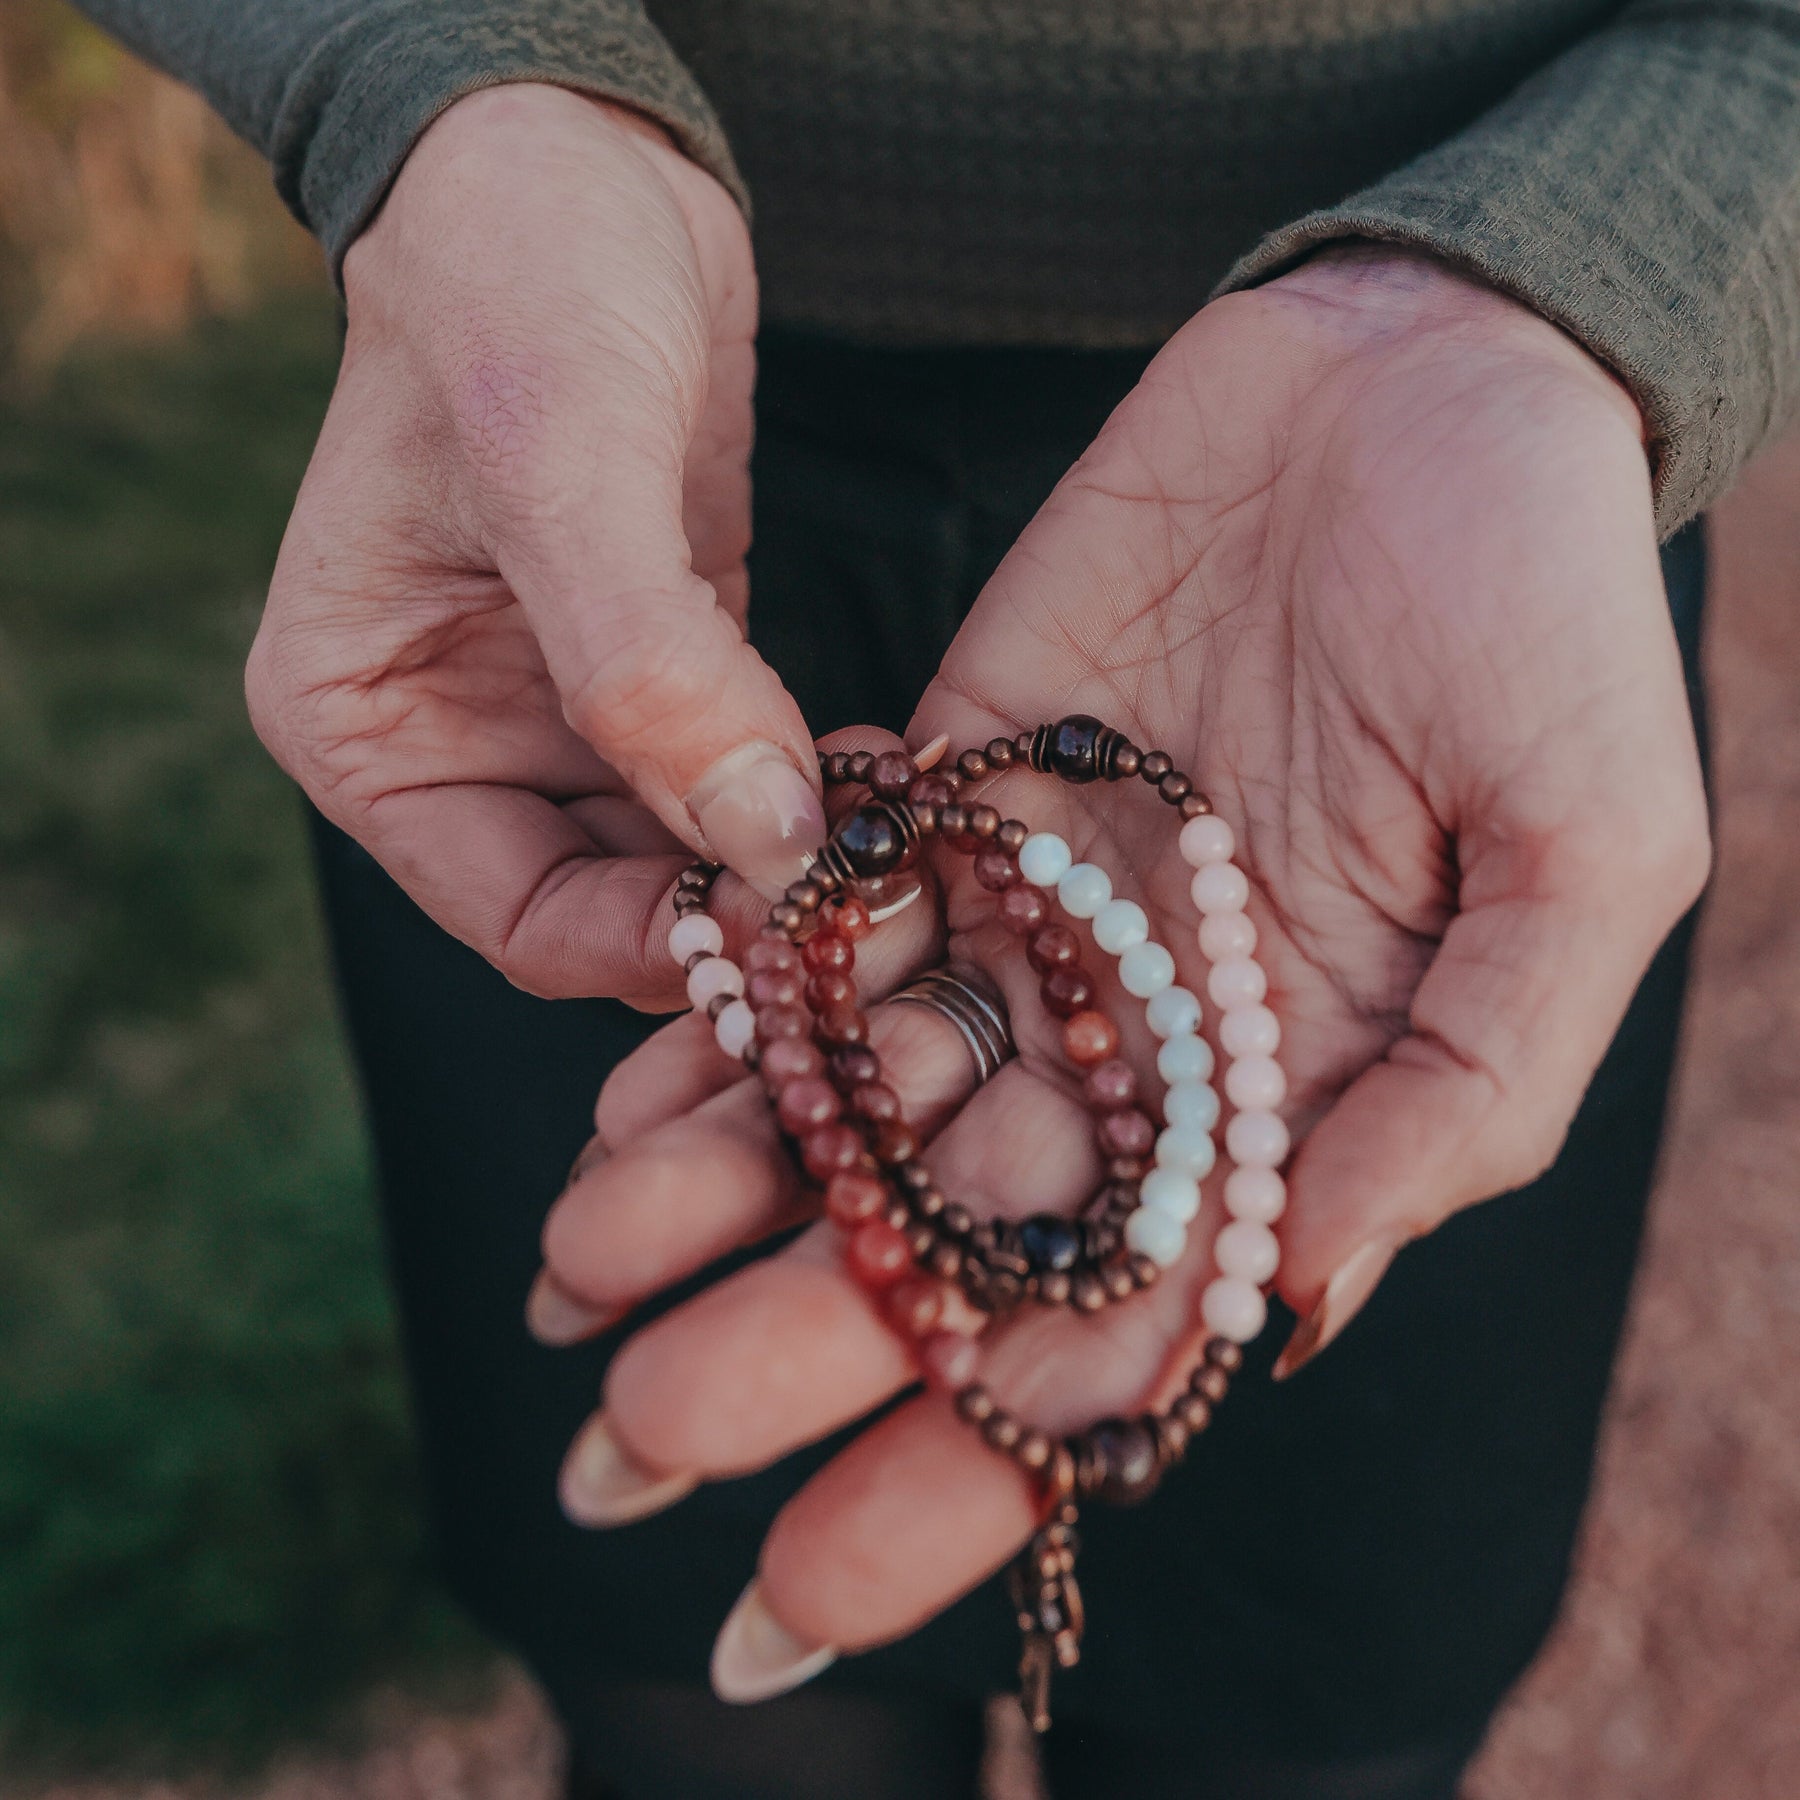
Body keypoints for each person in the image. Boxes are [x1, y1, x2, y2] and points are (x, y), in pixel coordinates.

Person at [70, 2, 1799, 1795]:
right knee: (707, 1727)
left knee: (1313, 1710)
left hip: (1407, 542)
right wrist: (435, 81)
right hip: (593, 448)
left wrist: (1616, 258)